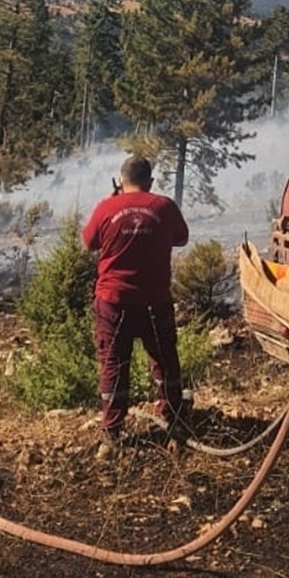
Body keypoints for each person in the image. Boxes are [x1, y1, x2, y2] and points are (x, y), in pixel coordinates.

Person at [81, 155, 189, 445]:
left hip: (113, 302)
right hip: (154, 300)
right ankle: (174, 422)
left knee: (114, 362)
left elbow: (89, 242)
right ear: (150, 181)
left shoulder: (106, 207)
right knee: (165, 360)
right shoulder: (164, 206)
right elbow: (181, 238)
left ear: (120, 180)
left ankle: (112, 433)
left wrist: (113, 203)